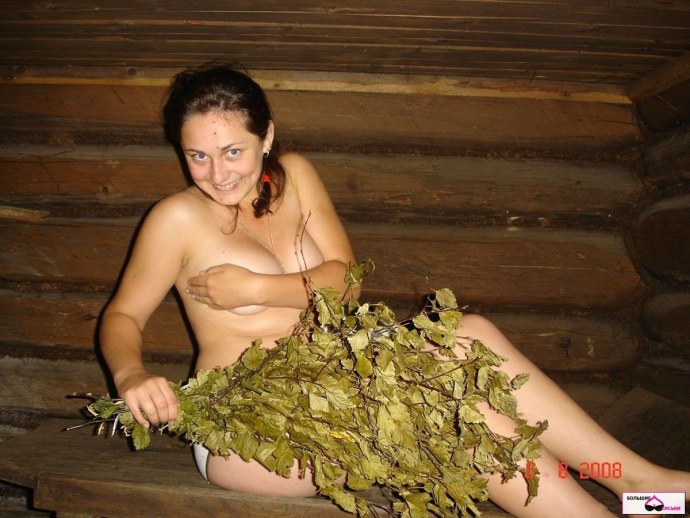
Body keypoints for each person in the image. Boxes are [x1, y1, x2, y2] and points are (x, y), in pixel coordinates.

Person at [99, 62, 689, 518]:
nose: (218, 174)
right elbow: (123, 316)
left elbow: (347, 283)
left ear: (267, 136)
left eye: (233, 151)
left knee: (471, 335)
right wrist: (131, 376)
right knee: (451, 417)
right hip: (253, 426)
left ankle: (641, 486)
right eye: (197, 156)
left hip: (343, 380)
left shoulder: (295, 177)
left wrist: (256, 287)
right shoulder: (175, 219)